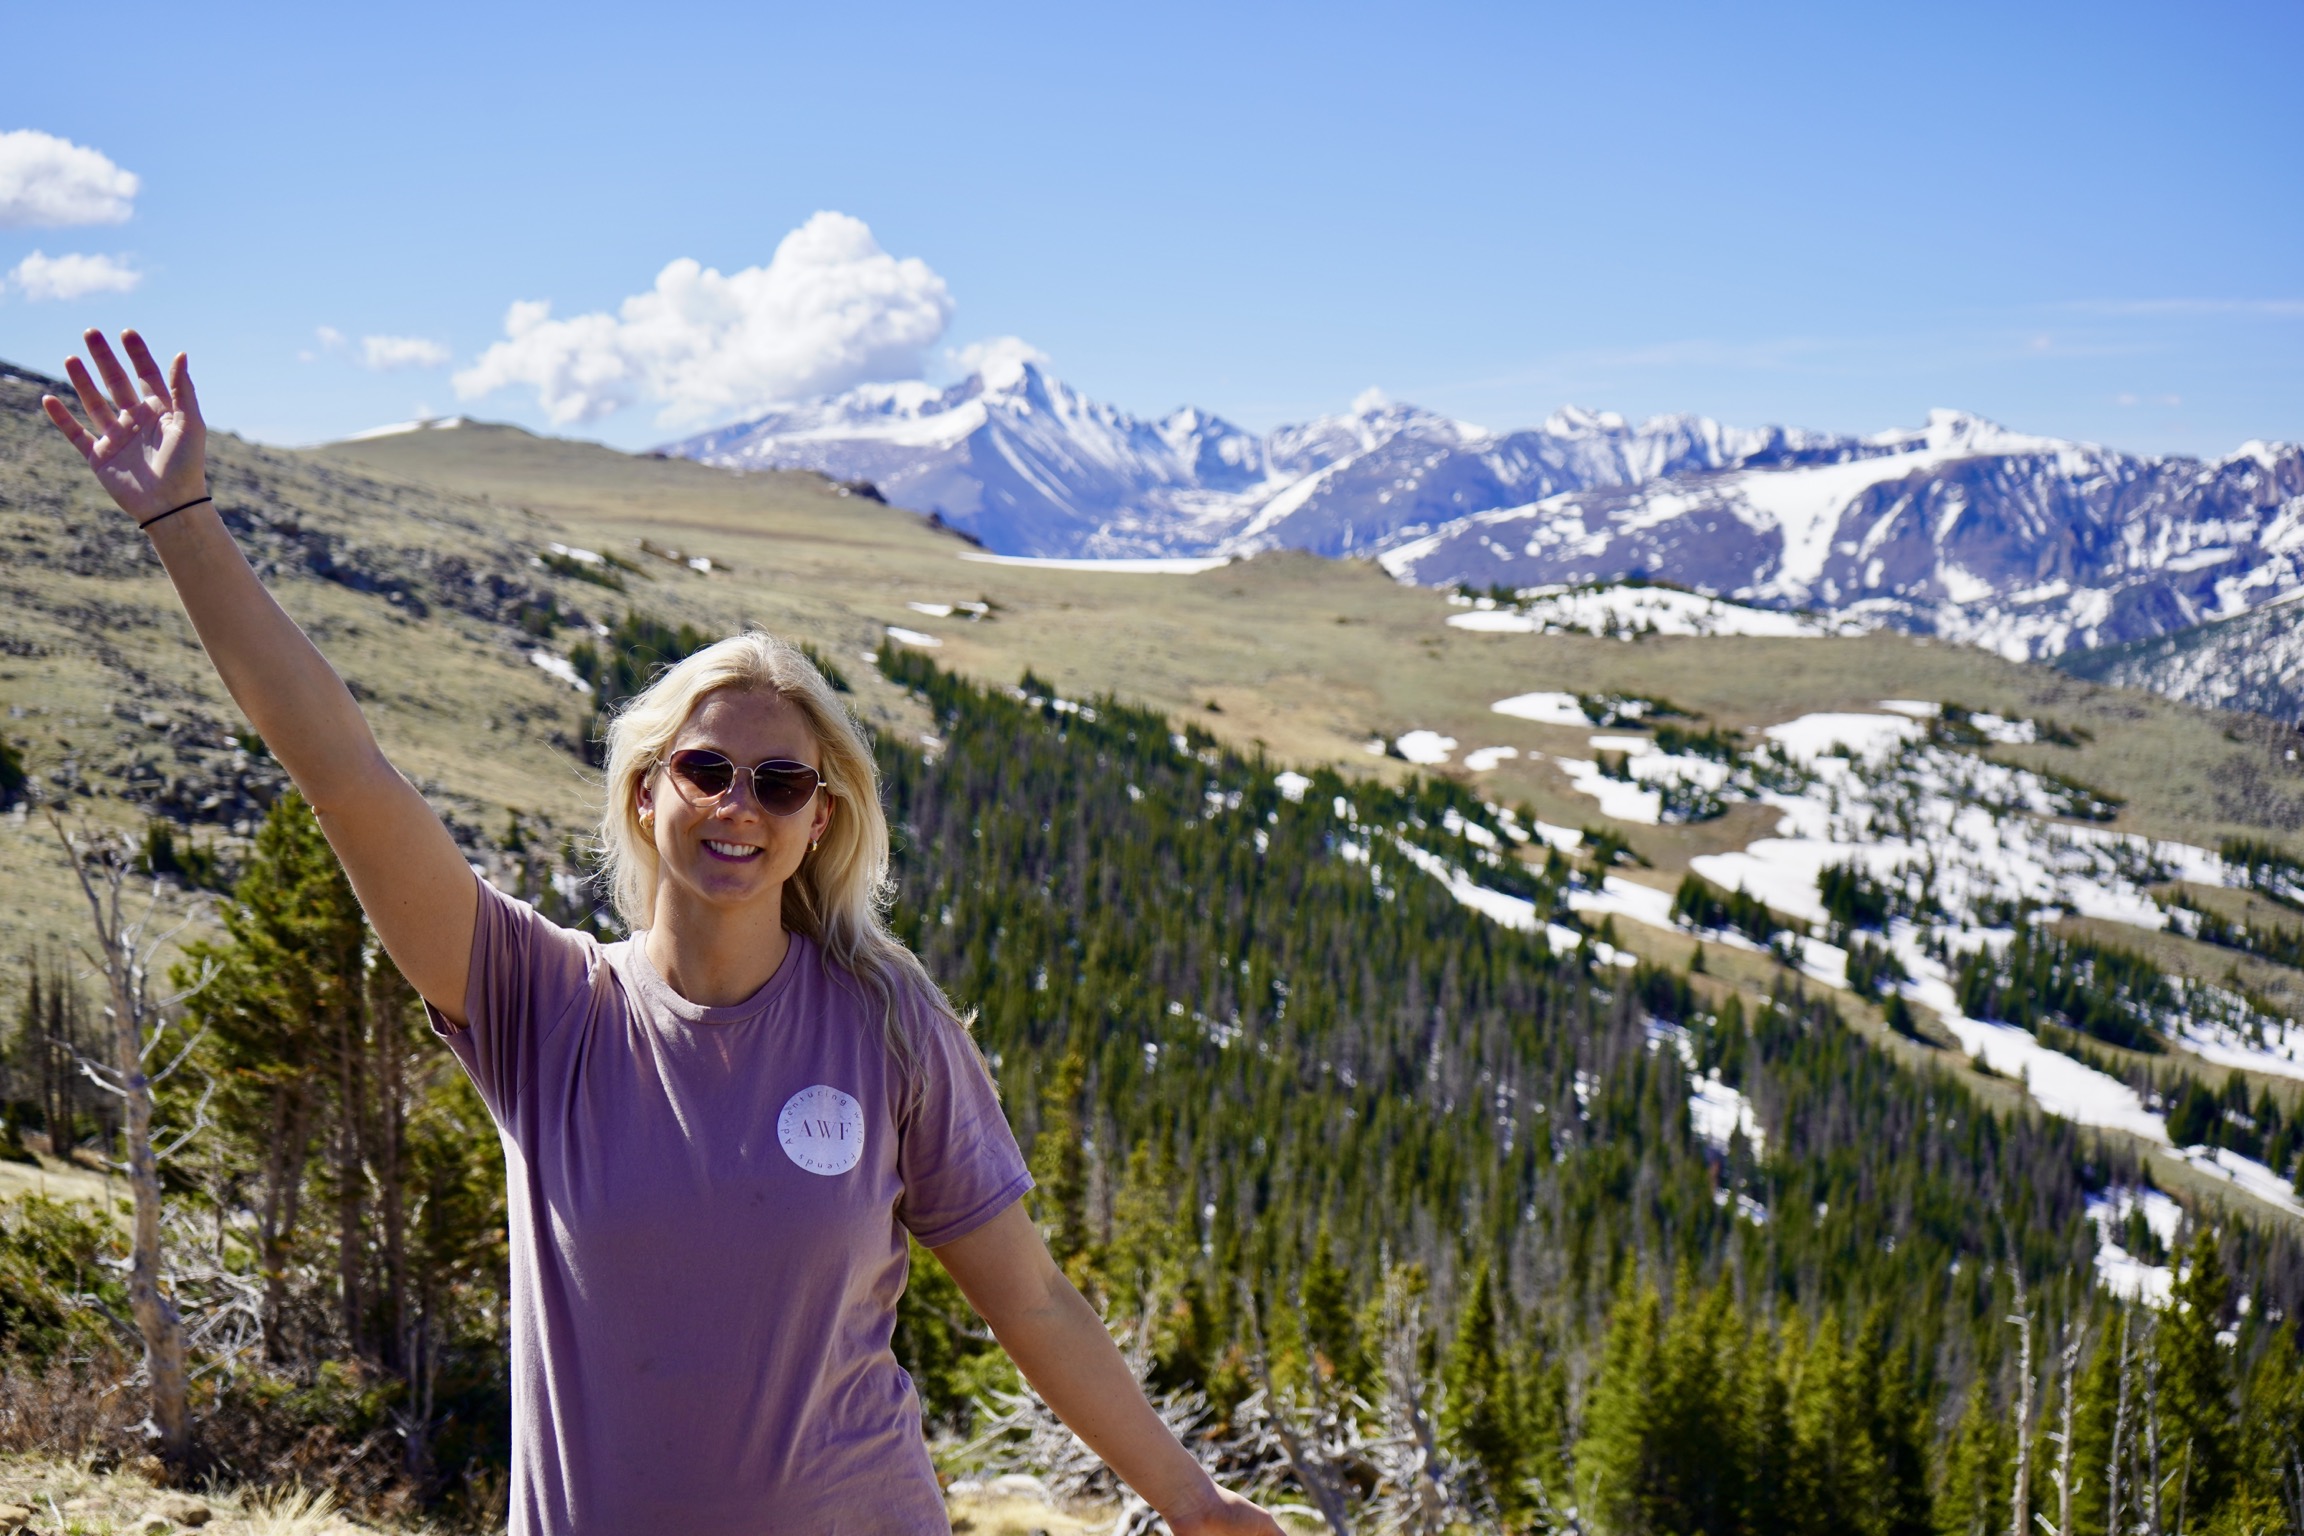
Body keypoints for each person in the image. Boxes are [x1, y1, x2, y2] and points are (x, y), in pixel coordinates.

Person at [44, 330, 1284, 1536]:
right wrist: (182, 521)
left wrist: (1191, 1500)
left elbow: (1031, 1297)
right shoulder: (544, 1008)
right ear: (647, 792)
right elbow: (345, 773)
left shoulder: (890, 1026)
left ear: (820, 821)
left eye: (781, 784)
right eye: (706, 769)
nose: (740, 806)